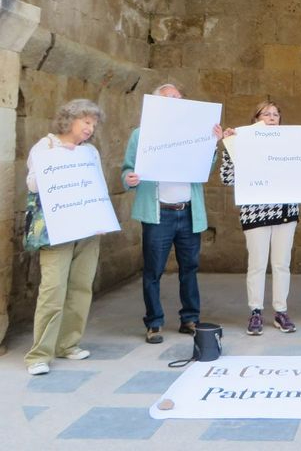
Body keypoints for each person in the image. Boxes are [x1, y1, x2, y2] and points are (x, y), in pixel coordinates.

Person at [121, 84, 222, 344]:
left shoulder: (195, 133)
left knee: (189, 267)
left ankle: (190, 318)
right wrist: (129, 179)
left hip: (187, 212)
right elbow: (127, 169)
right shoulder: (141, 135)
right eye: (170, 98)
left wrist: (212, 144)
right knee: (153, 270)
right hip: (159, 214)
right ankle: (154, 323)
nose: (177, 101)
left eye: (180, 97)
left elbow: (205, 168)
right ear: (157, 104)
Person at [219, 100, 301, 335]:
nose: (272, 117)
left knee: (281, 263)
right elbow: (227, 178)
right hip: (255, 212)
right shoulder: (242, 144)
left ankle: (280, 311)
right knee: (256, 264)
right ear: (255, 119)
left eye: (276, 114)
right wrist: (230, 146)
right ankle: (255, 311)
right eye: (266, 113)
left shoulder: (291, 144)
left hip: (285, 212)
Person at [24, 99, 106, 375]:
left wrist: (102, 217)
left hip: (87, 228)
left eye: (93, 124)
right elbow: (33, 184)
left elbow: (97, 183)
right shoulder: (45, 147)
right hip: (56, 229)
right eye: (86, 122)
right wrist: (62, 159)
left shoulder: (90, 151)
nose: (89, 128)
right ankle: (39, 354)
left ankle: (69, 343)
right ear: (69, 120)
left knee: (81, 285)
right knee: (53, 289)